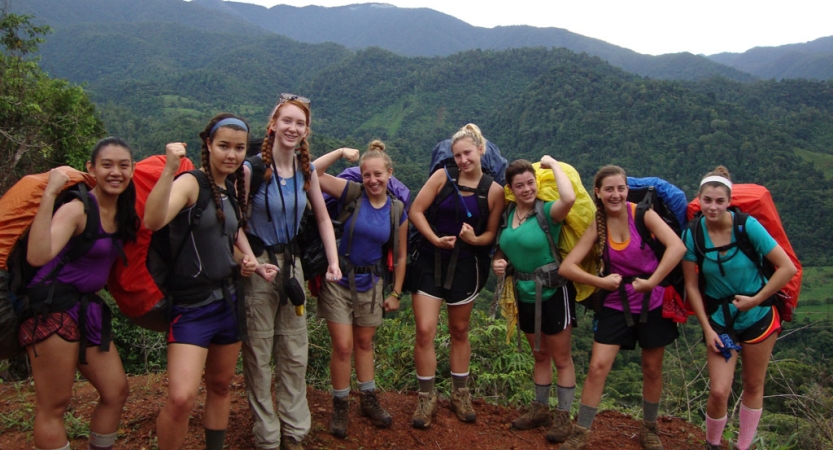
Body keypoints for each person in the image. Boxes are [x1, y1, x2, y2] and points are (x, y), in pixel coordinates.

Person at [143, 113, 278, 450]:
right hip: (191, 306)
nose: (231, 155)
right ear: (208, 145)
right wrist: (170, 170)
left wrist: (250, 263)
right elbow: (153, 220)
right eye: (223, 146)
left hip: (228, 302)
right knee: (181, 398)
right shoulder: (190, 183)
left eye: (238, 148)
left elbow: (224, 241)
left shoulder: (229, 188)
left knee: (219, 387)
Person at [20, 137, 139, 450]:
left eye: (123, 165)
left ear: (132, 169)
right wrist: (49, 193)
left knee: (115, 391)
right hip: (53, 307)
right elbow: (37, 255)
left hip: (87, 308)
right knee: (54, 405)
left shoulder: (123, 211)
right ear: (92, 169)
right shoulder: (77, 209)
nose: (116, 172)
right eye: (107, 165)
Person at [558, 165, 685, 450]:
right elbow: (568, 267)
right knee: (597, 367)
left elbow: (677, 247)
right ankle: (581, 431)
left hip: (652, 300)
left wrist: (652, 282)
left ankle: (649, 428)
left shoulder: (643, 214)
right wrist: (599, 283)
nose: (616, 194)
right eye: (609, 189)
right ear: (598, 193)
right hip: (616, 301)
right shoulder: (597, 224)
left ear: (627, 189)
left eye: (620, 188)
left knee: (652, 367)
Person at [241, 94, 341, 450]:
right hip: (259, 268)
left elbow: (323, 217)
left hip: (293, 267)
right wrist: (247, 259)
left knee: (295, 352)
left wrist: (333, 261)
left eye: (300, 123)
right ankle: (267, 436)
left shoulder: (306, 170)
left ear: (306, 130)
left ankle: (294, 432)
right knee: (258, 352)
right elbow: (235, 221)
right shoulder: (252, 169)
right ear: (273, 125)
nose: (293, 128)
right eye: (287, 121)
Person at [681, 166, 796, 450]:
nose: (713, 206)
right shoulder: (693, 234)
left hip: (759, 315)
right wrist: (706, 329)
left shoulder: (747, 226)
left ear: (729, 201)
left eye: (720, 201)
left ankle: (743, 446)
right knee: (719, 391)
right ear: (699, 198)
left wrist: (756, 300)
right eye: (707, 200)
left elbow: (787, 268)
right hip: (720, 320)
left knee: (753, 385)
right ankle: (713, 444)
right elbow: (691, 286)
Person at [407, 123, 504, 429]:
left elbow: (491, 233)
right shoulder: (442, 177)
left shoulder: (494, 190)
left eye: (467, 153)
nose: (462, 160)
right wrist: (434, 238)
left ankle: (460, 393)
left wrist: (476, 240)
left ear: (480, 150)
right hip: (429, 262)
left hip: (466, 267)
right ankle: (426, 396)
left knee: (459, 331)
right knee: (425, 331)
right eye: (457, 155)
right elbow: (416, 211)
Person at [312, 140, 409, 438]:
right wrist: (340, 153)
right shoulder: (351, 193)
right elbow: (310, 173)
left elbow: (401, 253)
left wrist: (396, 293)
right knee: (343, 347)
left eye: (379, 174)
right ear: (360, 175)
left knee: (364, 344)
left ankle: (368, 398)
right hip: (339, 279)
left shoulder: (397, 209)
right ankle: (341, 404)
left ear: (390, 173)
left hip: (372, 283)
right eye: (367, 175)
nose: (373, 180)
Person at [491, 157, 577, 444]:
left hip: (554, 291)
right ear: (511, 189)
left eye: (530, 183)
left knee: (562, 358)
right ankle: (541, 409)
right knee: (539, 354)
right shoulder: (509, 215)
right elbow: (506, 249)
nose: (527, 189)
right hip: (524, 292)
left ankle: (564, 416)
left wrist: (553, 166)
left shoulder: (548, 212)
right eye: (520, 185)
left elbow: (569, 197)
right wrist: (500, 263)